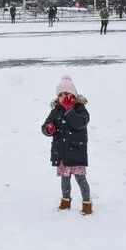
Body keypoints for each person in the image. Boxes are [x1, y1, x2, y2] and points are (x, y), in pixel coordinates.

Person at [41, 75, 92, 215]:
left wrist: (70, 110)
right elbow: (45, 126)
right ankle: (65, 201)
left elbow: (79, 124)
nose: (64, 97)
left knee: (80, 179)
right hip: (62, 153)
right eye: (61, 95)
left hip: (76, 152)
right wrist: (48, 128)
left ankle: (87, 204)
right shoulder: (55, 111)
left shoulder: (81, 110)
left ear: (74, 96)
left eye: (68, 94)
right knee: (64, 180)